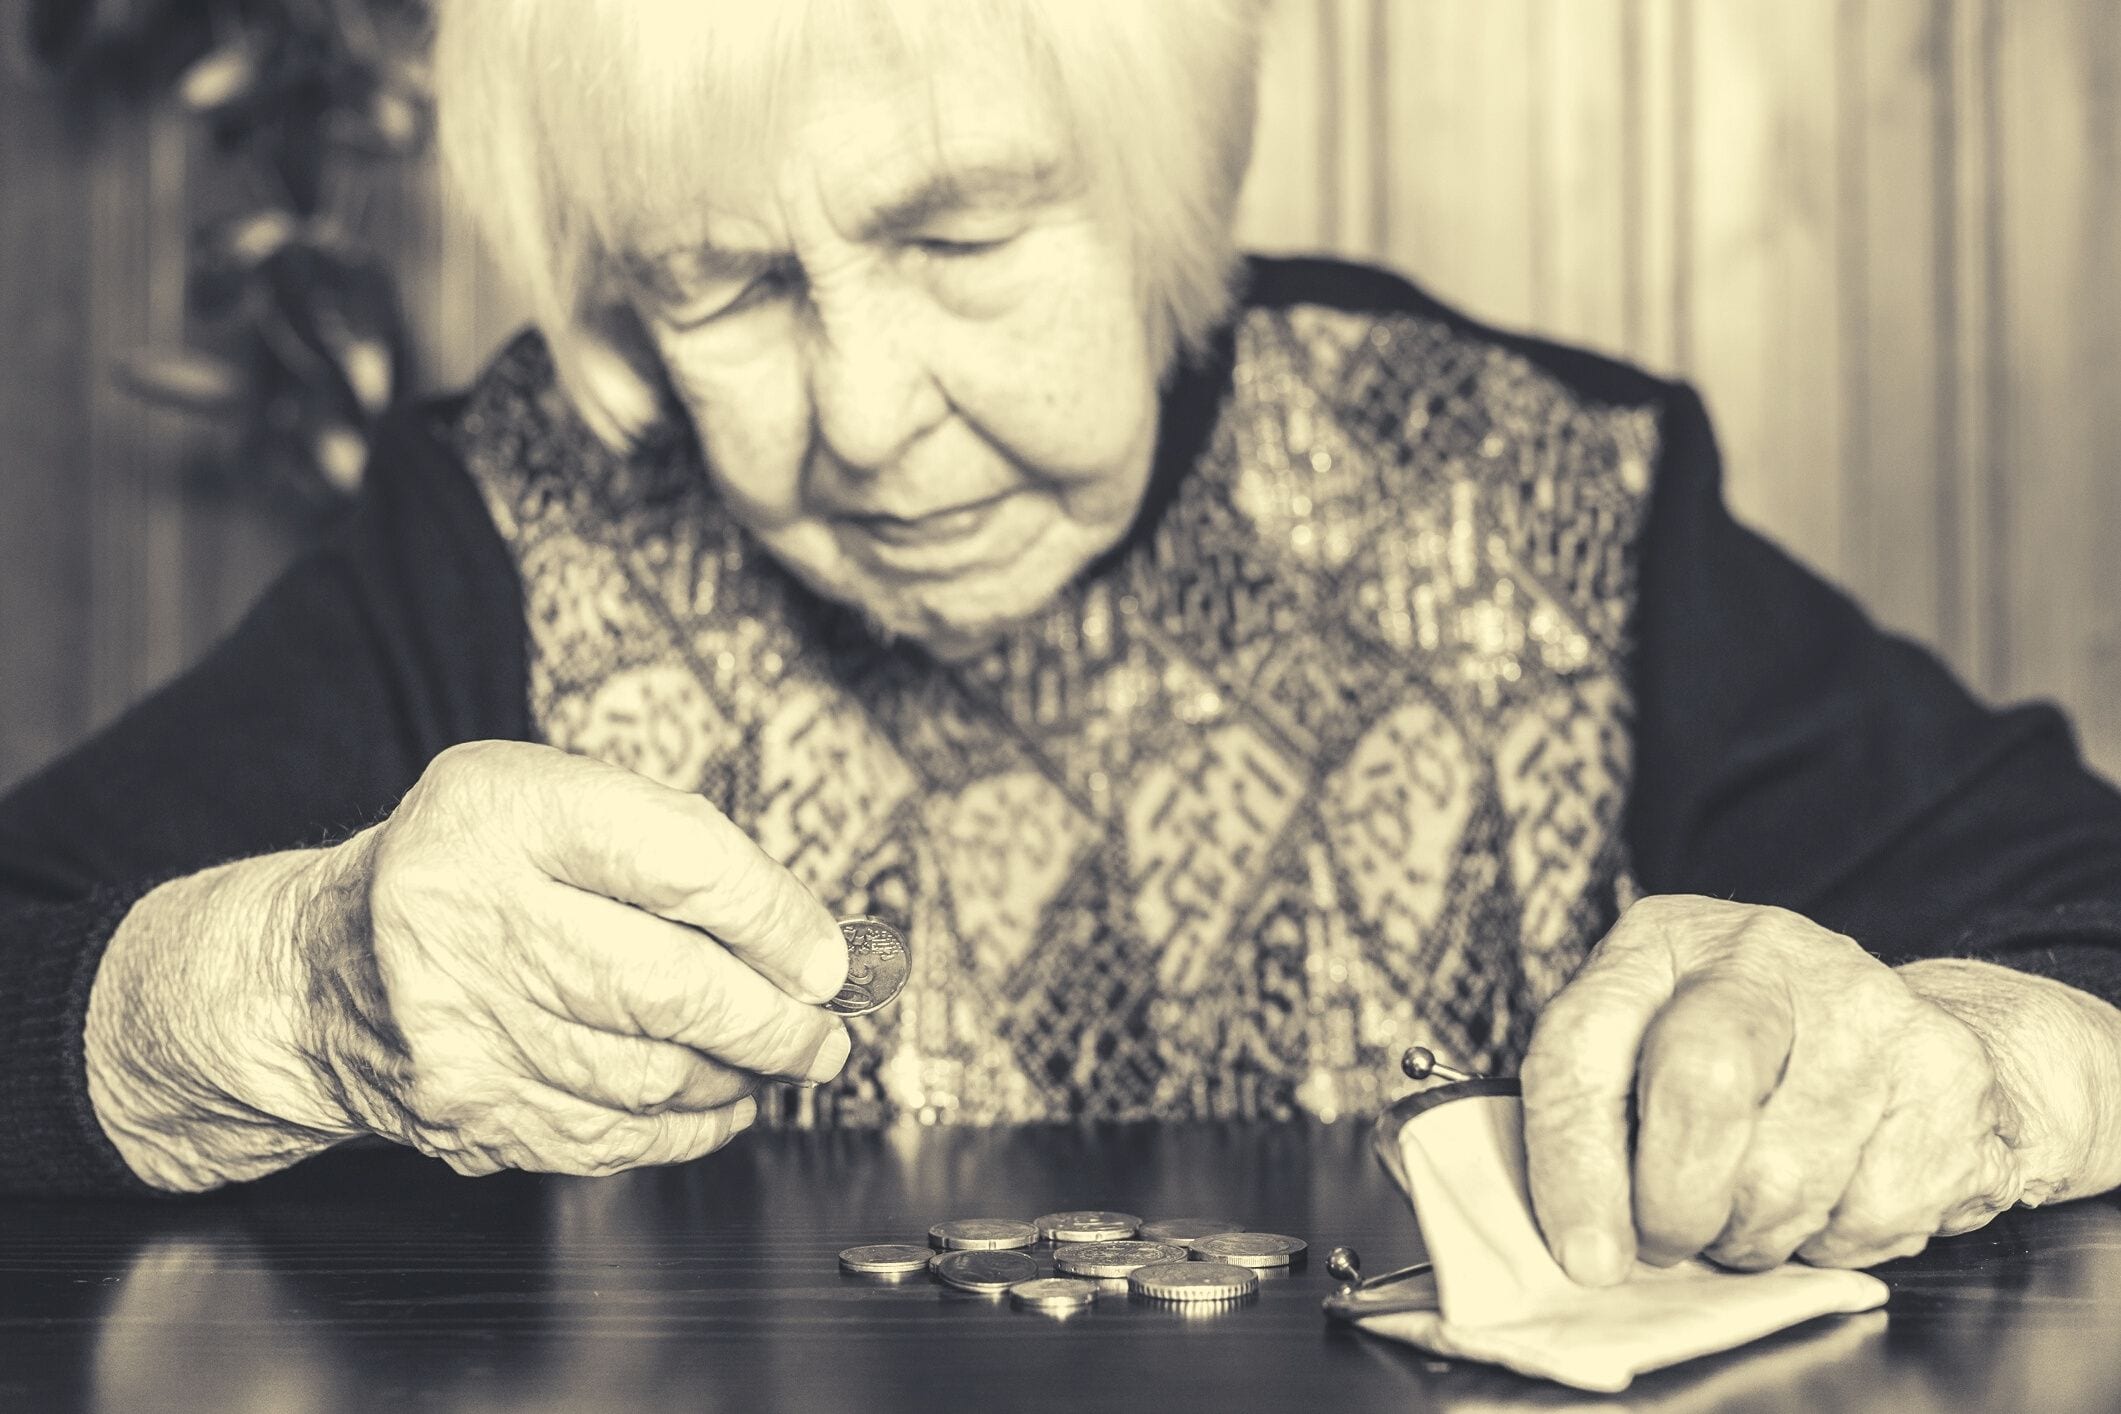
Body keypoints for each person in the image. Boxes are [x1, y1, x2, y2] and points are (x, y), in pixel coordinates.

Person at [4, 0, 2120, 1290]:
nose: (856, 413)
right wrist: (290, 987)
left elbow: (2080, 918)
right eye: (719, 288)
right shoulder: (496, 518)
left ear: (1164, 190)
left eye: (956, 235)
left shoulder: (1532, 484)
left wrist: (1968, 1063)